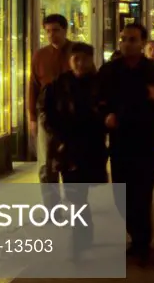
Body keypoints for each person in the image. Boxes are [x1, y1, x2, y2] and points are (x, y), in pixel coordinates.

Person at [98, 23, 154, 265]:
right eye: (124, 38)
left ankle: (142, 242)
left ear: (143, 42)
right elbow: (99, 100)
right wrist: (106, 115)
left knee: (142, 193)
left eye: (133, 39)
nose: (127, 43)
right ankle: (135, 235)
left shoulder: (153, 71)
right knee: (121, 195)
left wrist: (153, 101)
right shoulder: (110, 70)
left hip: (145, 141)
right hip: (120, 141)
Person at [38, 42, 108, 257]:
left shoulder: (100, 84)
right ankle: (79, 234)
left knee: (80, 191)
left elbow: (105, 112)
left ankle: (83, 231)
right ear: (69, 61)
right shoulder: (58, 85)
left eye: (84, 58)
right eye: (75, 58)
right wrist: (57, 135)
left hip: (91, 145)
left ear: (91, 59)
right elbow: (46, 112)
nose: (80, 63)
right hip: (66, 146)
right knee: (75, 192)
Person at [28, 14, 73, 205]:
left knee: (71, 160)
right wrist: (31, 116)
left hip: (72, 114)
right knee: (46, 162)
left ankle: (74, 203)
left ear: (65, 30)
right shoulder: (40, 55)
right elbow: (33, 86)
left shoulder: (76, 52)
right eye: (47, 31)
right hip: (47, 114)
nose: (51, 35)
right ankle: (51, 206)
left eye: (55, 30)